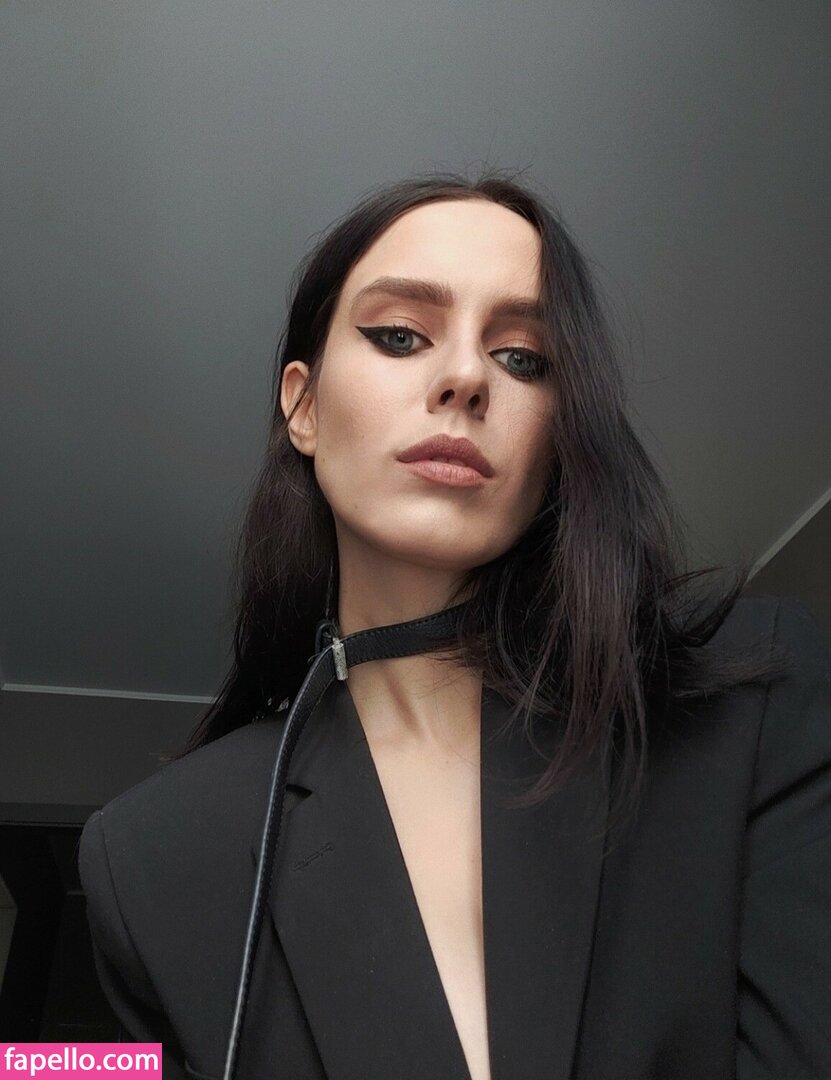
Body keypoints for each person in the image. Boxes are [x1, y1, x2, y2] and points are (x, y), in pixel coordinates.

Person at [77, 169, 831, 1080]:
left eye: (523, 358)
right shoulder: (154, 854)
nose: (468, 376)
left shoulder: (754, 698)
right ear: (303, 406)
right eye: (399, 335)